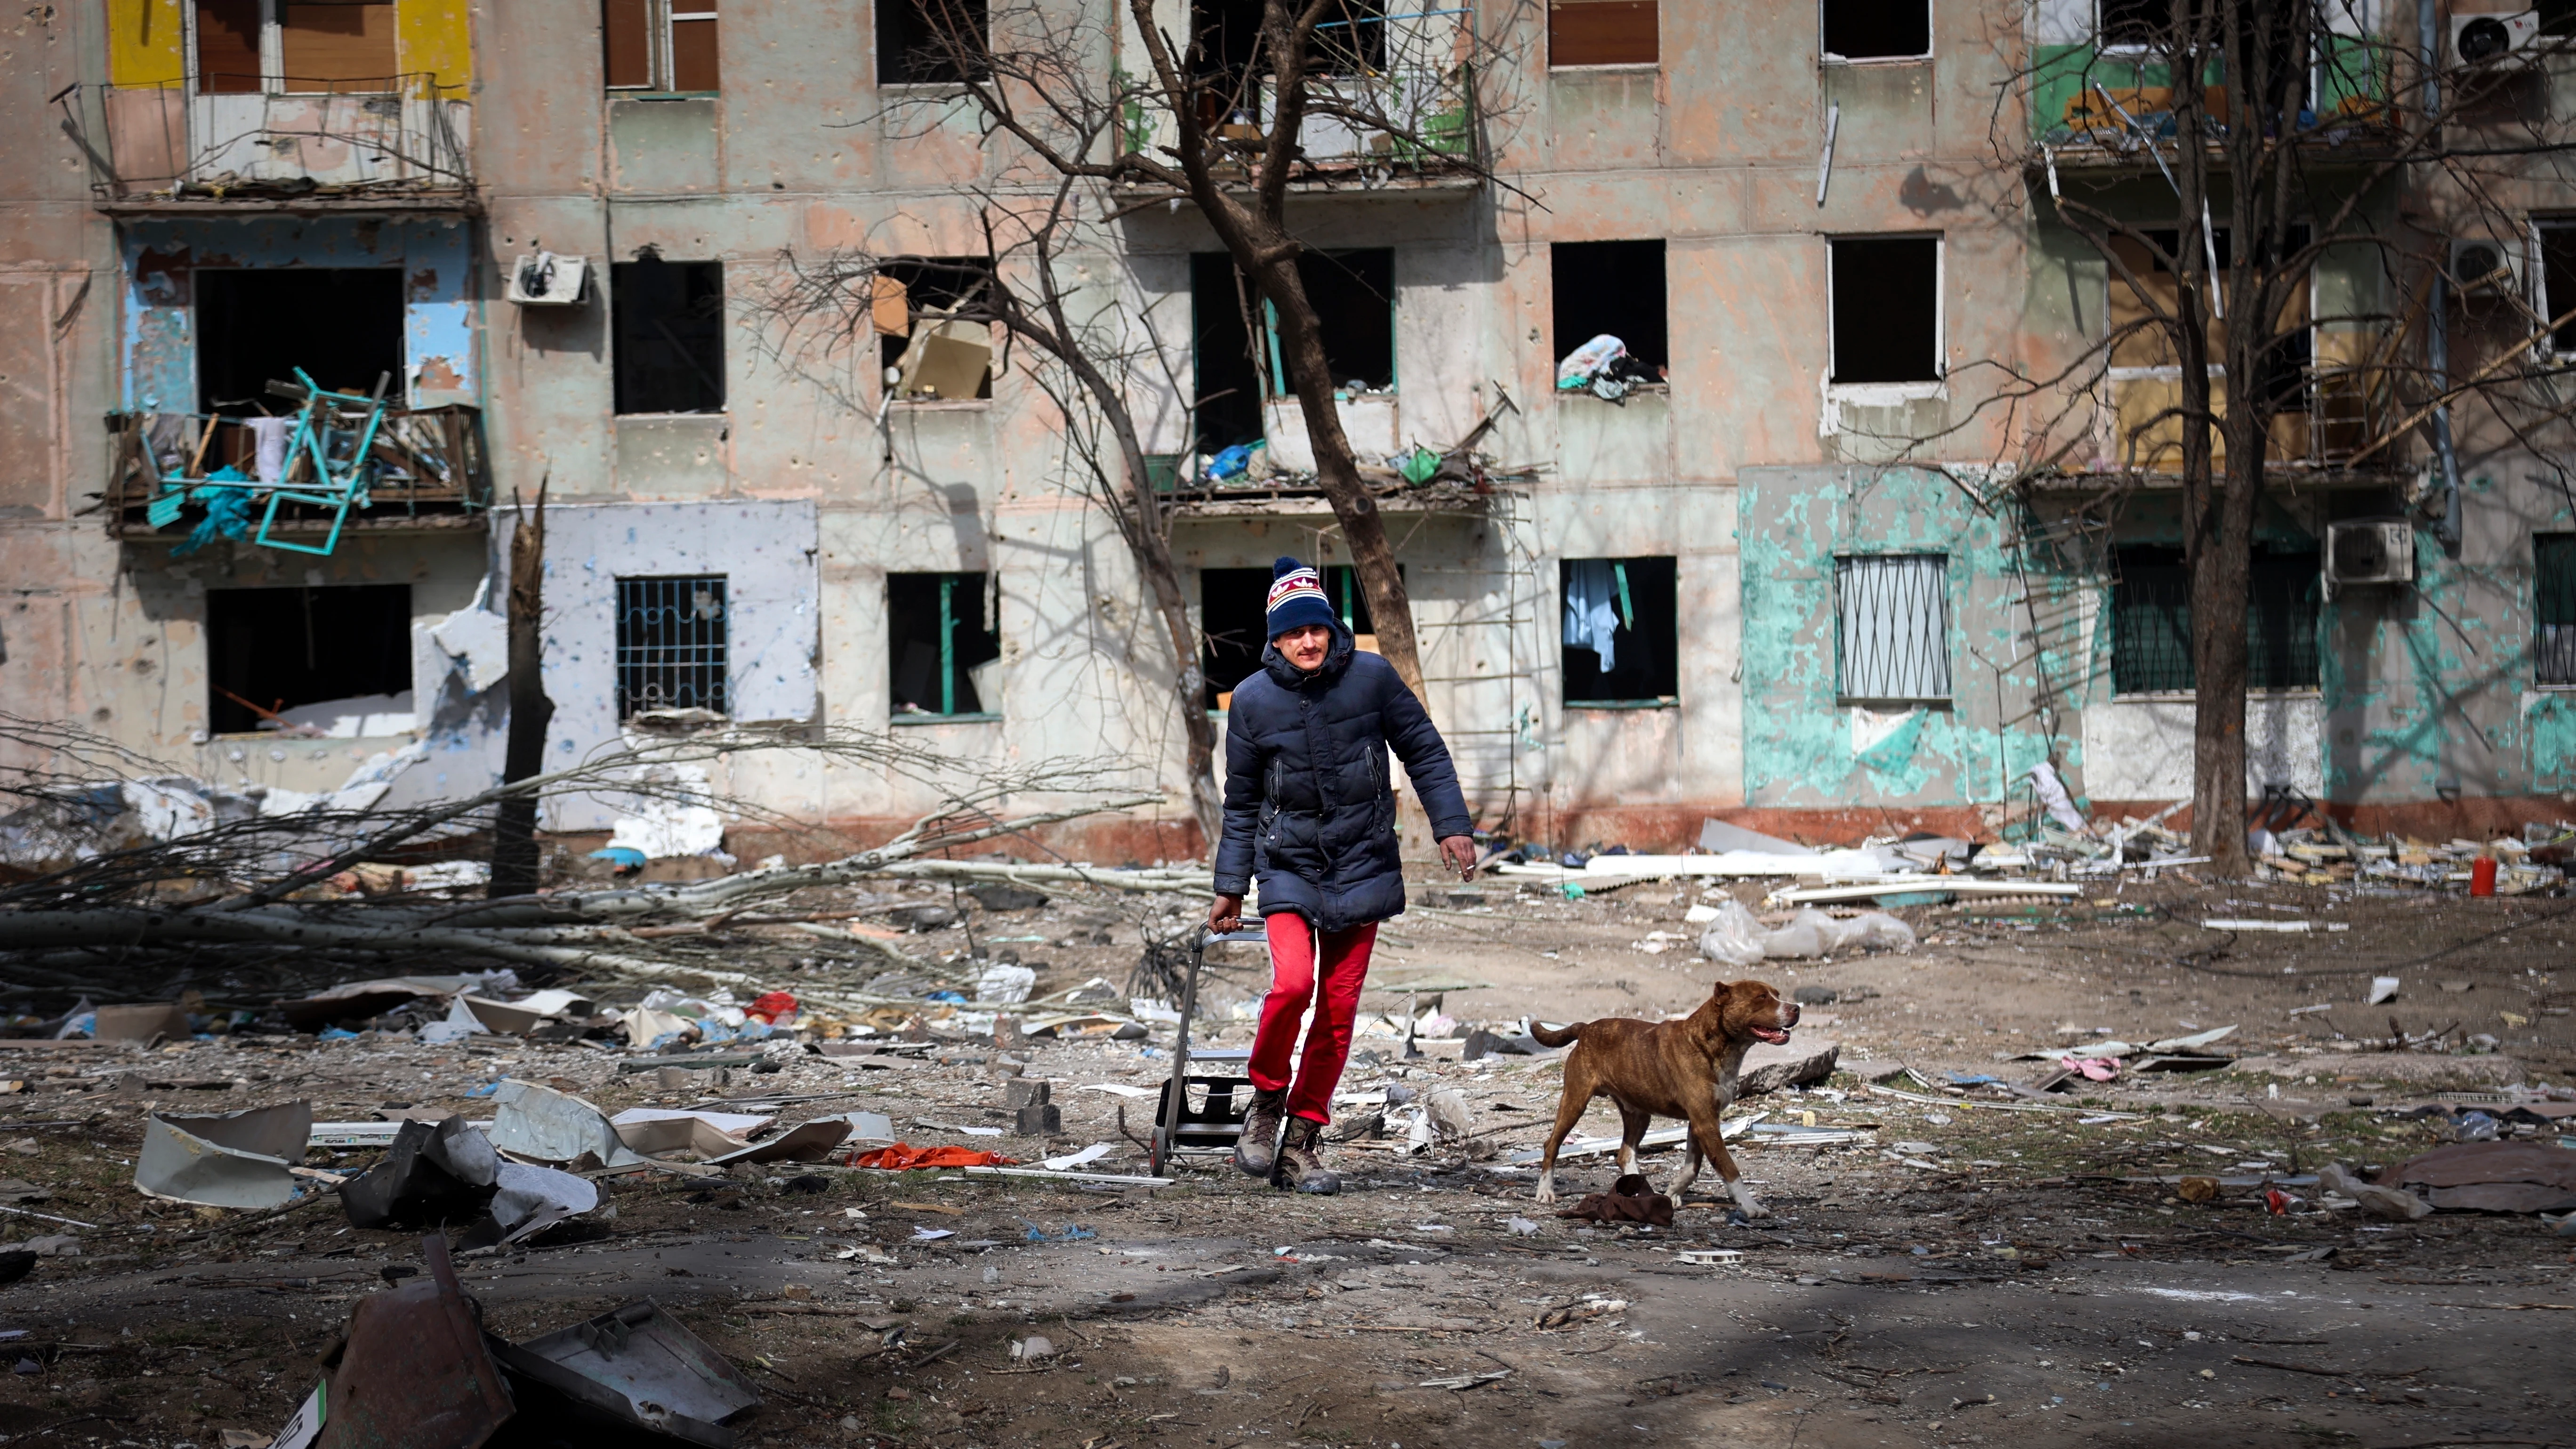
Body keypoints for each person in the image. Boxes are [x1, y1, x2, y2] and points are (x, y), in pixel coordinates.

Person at [1209, 557, 1478, 1193]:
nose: (1308, 641)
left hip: (1363, 862)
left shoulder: (1373, 678)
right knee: (1294, 984)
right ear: (1275, 638)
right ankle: (1267, 1099)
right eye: (1293, 632)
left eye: (1317, 628)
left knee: (1337, 1010)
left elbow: (1424, 748)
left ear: (1332, 628)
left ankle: (1302, 1139)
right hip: (1288, 866)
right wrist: (1230, 887)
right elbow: (1241, 800)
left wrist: (1452, 824)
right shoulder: (1250, 701)